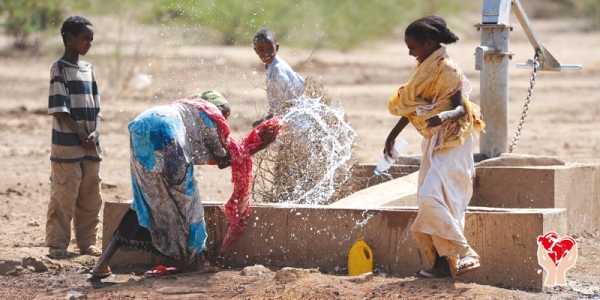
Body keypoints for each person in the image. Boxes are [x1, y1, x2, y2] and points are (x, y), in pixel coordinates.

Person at [91, 91, 279, 278]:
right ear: (215, 106)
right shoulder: (210, 111)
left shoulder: (183, 107)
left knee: (145, 199)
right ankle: (202, 261)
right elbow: (223, 159)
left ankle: (102, 263)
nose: (224, 120)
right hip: (169, 136)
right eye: (224, 113)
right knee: (189, 199)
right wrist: (256, 145)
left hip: (141, 129)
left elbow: (218, 155)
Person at [384, 15, 485, 278]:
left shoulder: (448, 69)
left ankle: (463, 253)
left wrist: (444, 116)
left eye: (413, 47)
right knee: (431, 199)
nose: (410, 53)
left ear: (429, 43)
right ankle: (442, 264)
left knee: (434, 197)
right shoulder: (423, 68)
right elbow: (415, 106)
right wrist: (392, 135)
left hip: (454, 138)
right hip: (433, 138)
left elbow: (461, 108)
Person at [45, 16, 103, 258]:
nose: (89, 43)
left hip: (91, 144)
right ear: (69, 38)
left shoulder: (88, 69)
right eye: (84, 38)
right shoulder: (59, 68)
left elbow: (97, 107)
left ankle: (87, 243)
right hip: (68, 145)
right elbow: (59, 108)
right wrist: (80, 133)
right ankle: (57, 245)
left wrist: (95, 132)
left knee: (90, 195)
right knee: (64, 194)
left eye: (91, 39)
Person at [252, 28, 305, 126]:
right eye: (261, 50)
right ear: (256, 51)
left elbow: (287, 104)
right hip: (289, 117)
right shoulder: (271, 66)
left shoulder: (278, 69)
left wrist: (267, 120)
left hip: (296, 119)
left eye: (269, 48)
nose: (266, 53)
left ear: (276, 47)